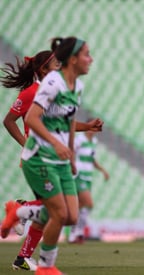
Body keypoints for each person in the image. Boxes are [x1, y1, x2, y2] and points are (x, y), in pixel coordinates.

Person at [1, 50, 102, 271]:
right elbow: (9, 121)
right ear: (44, 69)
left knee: (58, 212)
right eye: (56, 63)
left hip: (57, 158)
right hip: (40, 158)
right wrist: (24, 143)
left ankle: (23, 249)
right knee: (58, 209)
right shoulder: (32, 93)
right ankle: (21, 214)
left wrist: (89, 126)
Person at [68, 129, 109, 244]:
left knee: (80, 205)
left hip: (88, 177)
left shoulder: (94, 141)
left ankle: (74, 234)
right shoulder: (79, 139)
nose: (94, 131)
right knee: (89, 204)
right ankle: (78, 232)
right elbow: (72, 153)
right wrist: (72, 165)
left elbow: (92, 159)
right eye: (93, 128)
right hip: (79, 175)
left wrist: (103, 170)